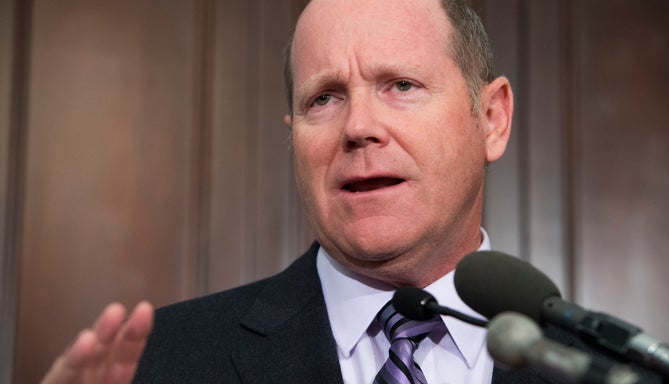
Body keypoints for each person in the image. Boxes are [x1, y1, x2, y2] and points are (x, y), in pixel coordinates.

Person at [42, 0, 563, 382]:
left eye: (401, 86)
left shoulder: (605, 369)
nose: (359, 126)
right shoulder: (160, 362)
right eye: (324, 99)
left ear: (491, 120)